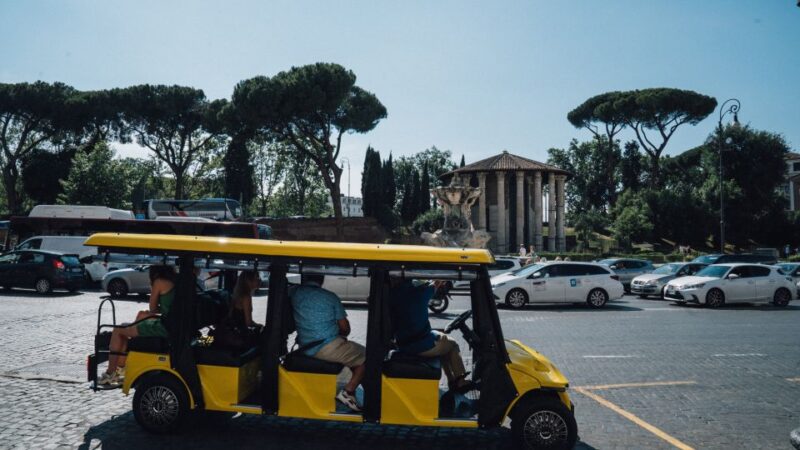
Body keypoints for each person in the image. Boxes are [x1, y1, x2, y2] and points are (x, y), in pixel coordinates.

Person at [290, 273, 365, 412]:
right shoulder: (330, 297)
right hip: (327, 347)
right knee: (368, 356)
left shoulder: (295, 292)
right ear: (322, 279)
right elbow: (345, 329)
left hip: (305, 346)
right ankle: (348, 391)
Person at [99, 265, 176, 386]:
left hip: (165, 327)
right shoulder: (173, 282)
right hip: (172, 323)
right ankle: (120, 370)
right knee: (137, 318)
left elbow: (153, 308)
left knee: (118, 331)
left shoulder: (159, 282)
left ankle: (111, 373)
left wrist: (153, 287)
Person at [388, 278, 469, 391]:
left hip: (404, 344)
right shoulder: (420, 292)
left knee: (442, 341)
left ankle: (452, 382)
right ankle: (460, 381)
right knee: (452, 344)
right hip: (421, 345)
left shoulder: (392, 294)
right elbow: (436, 283)